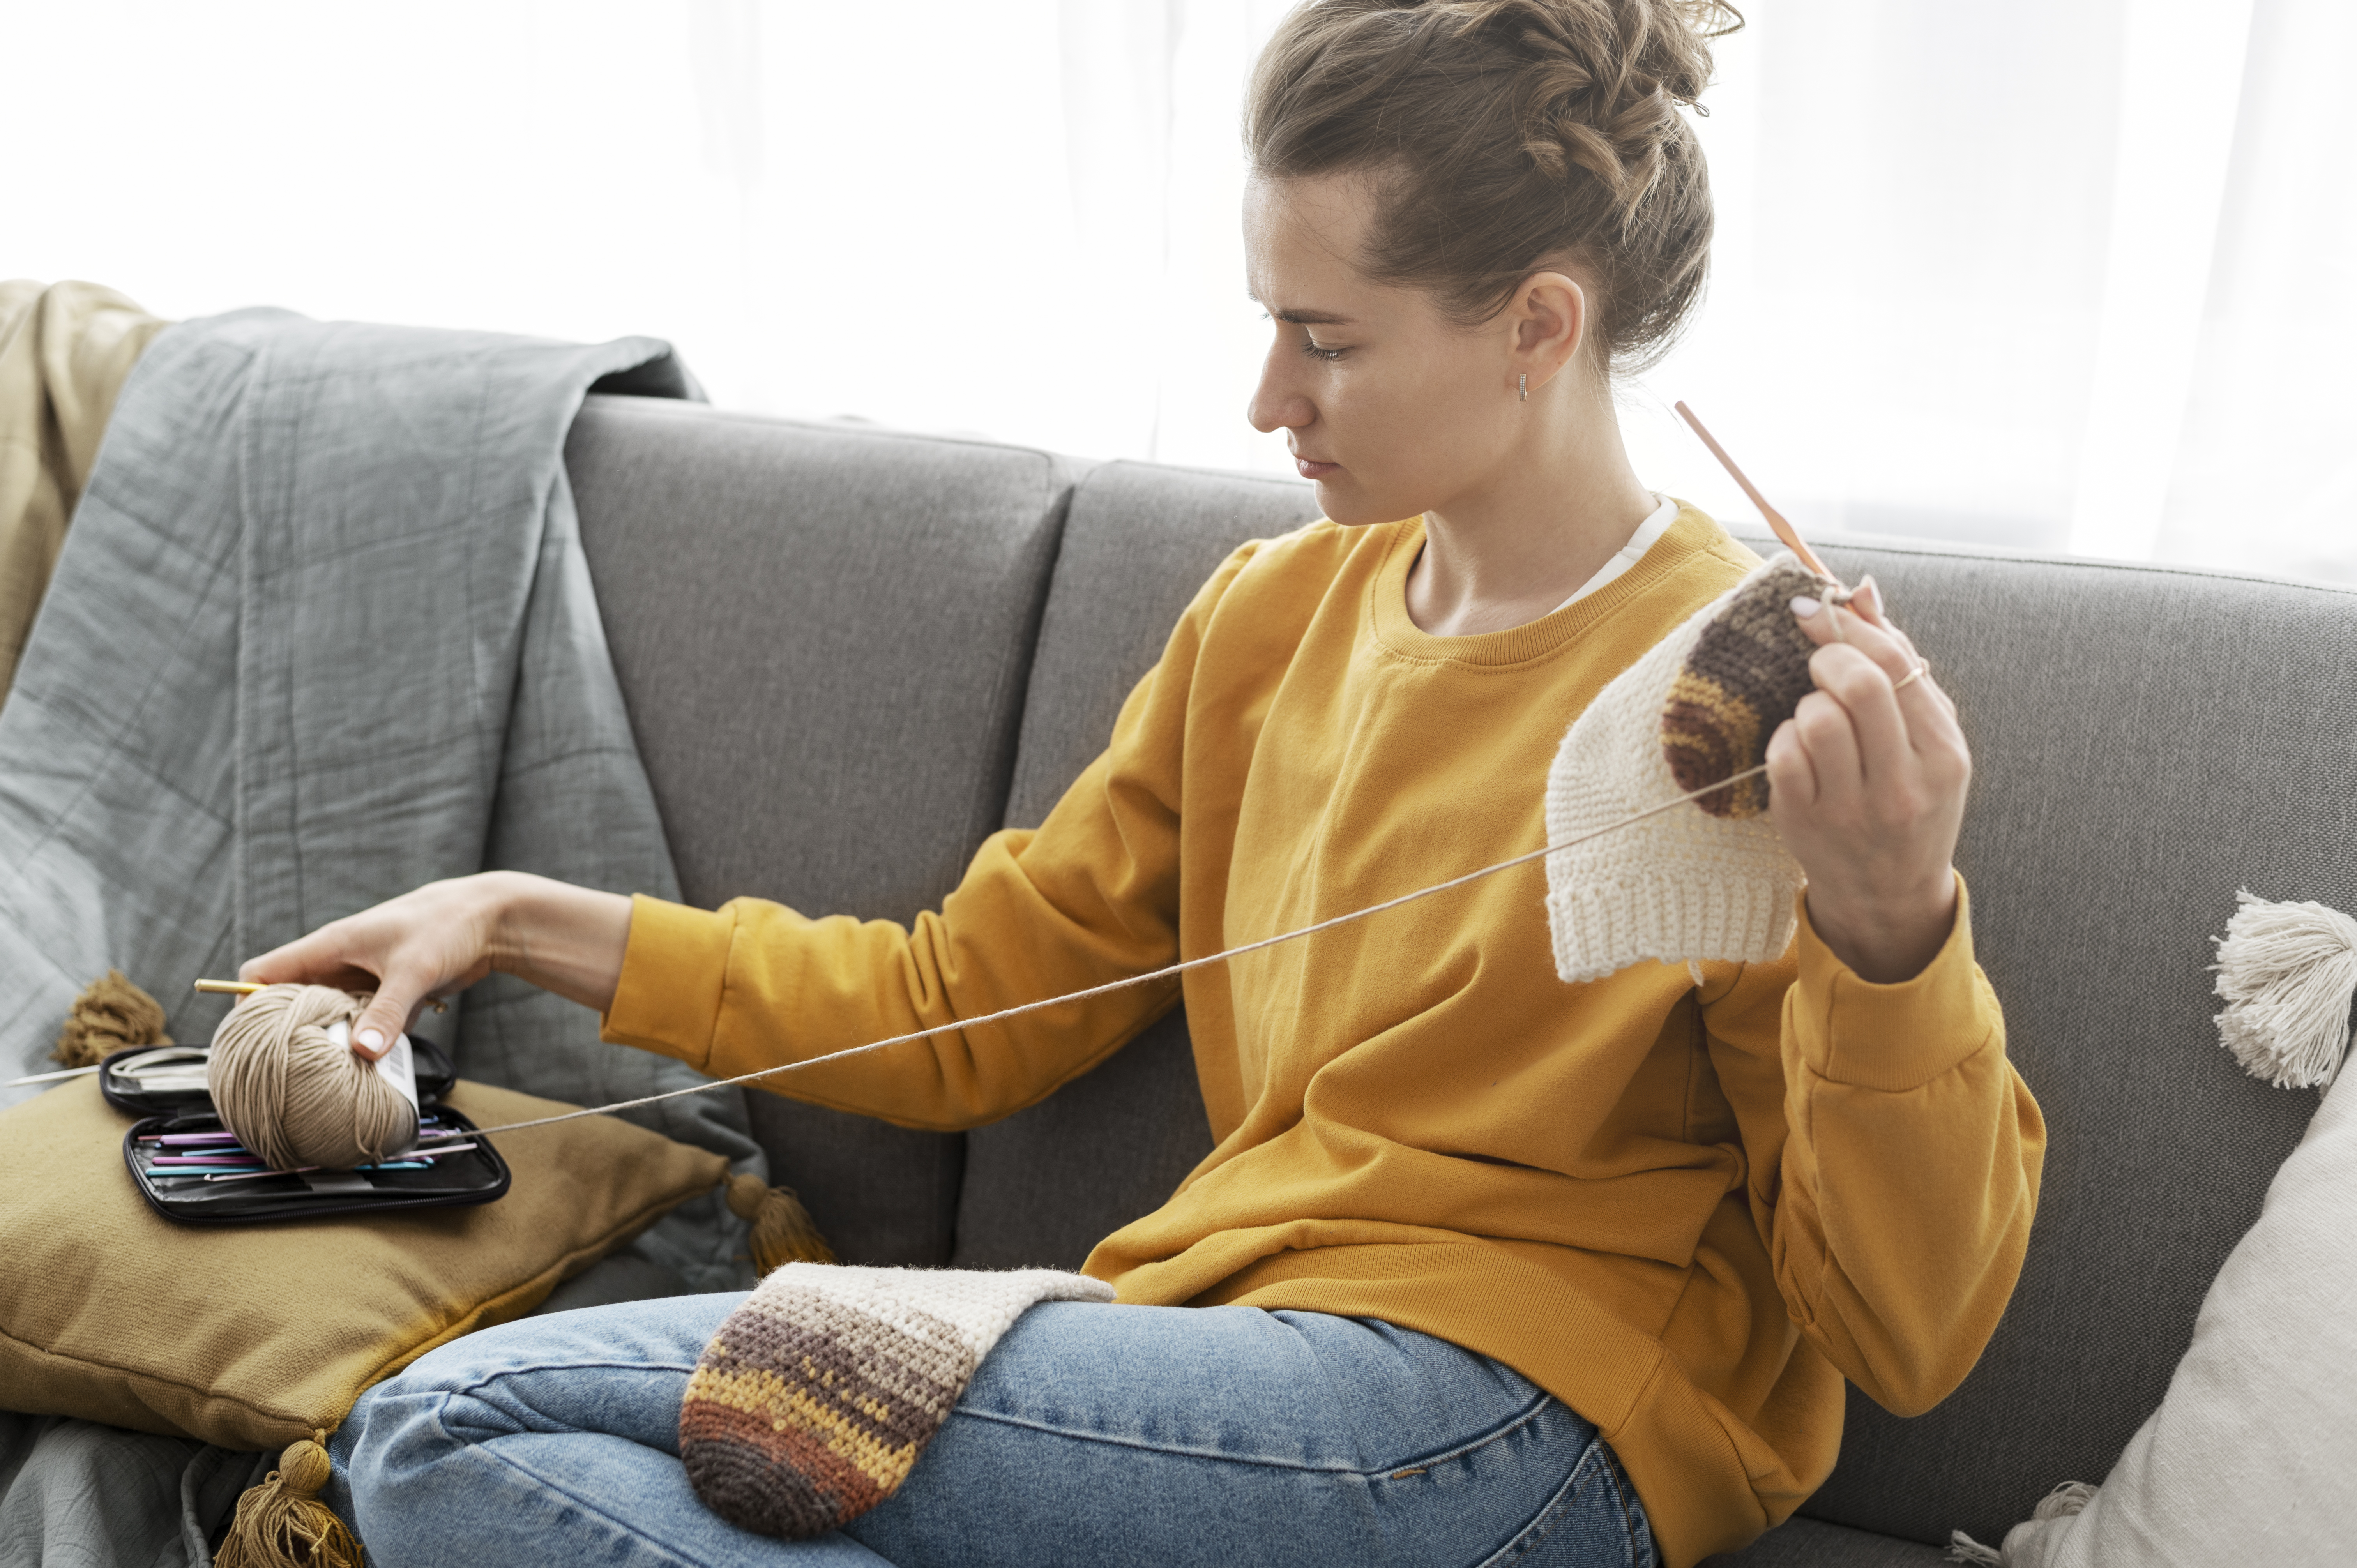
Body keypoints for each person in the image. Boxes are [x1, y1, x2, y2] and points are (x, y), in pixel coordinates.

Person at [247, 2, 2044, 1564]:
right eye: (1271, 322)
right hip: (1228, 1369)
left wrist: (1895, 927)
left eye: (1329, 338)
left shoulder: (1736, 704)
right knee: (484, 1479)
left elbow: (1904, 1336)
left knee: (439, 1426)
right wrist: (509, 918)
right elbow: (969, 1007)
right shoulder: (1272, 618)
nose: (1271, 398)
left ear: (1538, 327)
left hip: (1522, 1430)